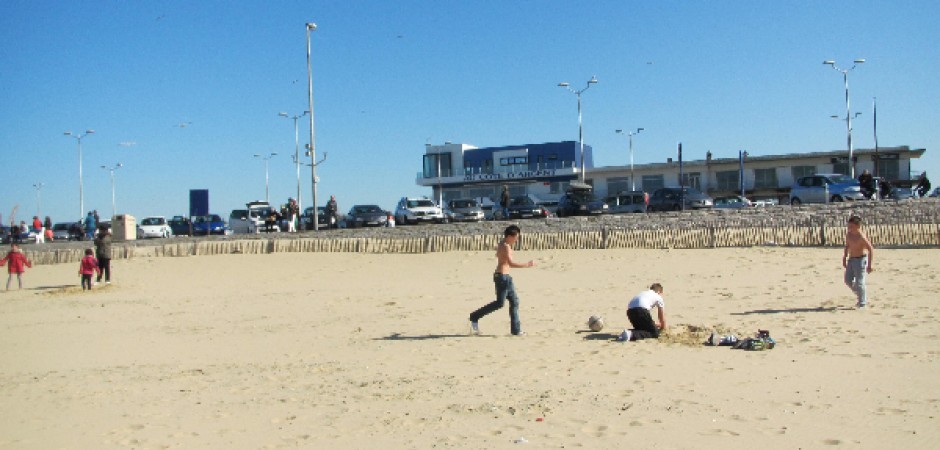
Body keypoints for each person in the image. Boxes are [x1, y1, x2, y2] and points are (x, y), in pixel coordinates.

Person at [469, 225, 536, 336]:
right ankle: (474, 316)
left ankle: (516, 330)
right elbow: (511, 263)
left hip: (505, 277)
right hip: (502, 278)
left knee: (514, 302)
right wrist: (528, 264)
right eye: (516, 237)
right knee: (500, 303)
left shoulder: (502, 244)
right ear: (509, 236)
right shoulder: (506, 247)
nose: (517, 239)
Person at [843, 215, 874, 308]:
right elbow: (847, 246)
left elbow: (871, 249)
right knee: (848, 280)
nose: (849, 228)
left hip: (860, 260)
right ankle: (860, 294)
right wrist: (844, 257)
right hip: (851, 260)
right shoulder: (849, 234)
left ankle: (862, 303)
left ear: (858, 226)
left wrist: (870, 265)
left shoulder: (861, 237)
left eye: (851, 226)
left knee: (859, 282)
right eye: (849, 226)